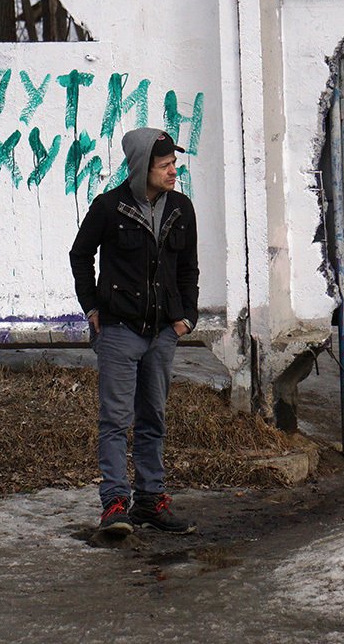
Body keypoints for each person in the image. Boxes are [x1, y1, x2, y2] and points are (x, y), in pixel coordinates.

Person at [69, 127, 200, 535]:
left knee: (153, 419)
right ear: (143, 167)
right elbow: (80, 255)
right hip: (120, 330)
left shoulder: (182, 207)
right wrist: (92, 306)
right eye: (165, 165)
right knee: (115, 420)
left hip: (163, 331)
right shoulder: (109, 208)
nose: (173, 171)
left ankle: (150, 501)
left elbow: (188, 268)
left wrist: (186, 317)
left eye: (174, 164)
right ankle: (114, 504)